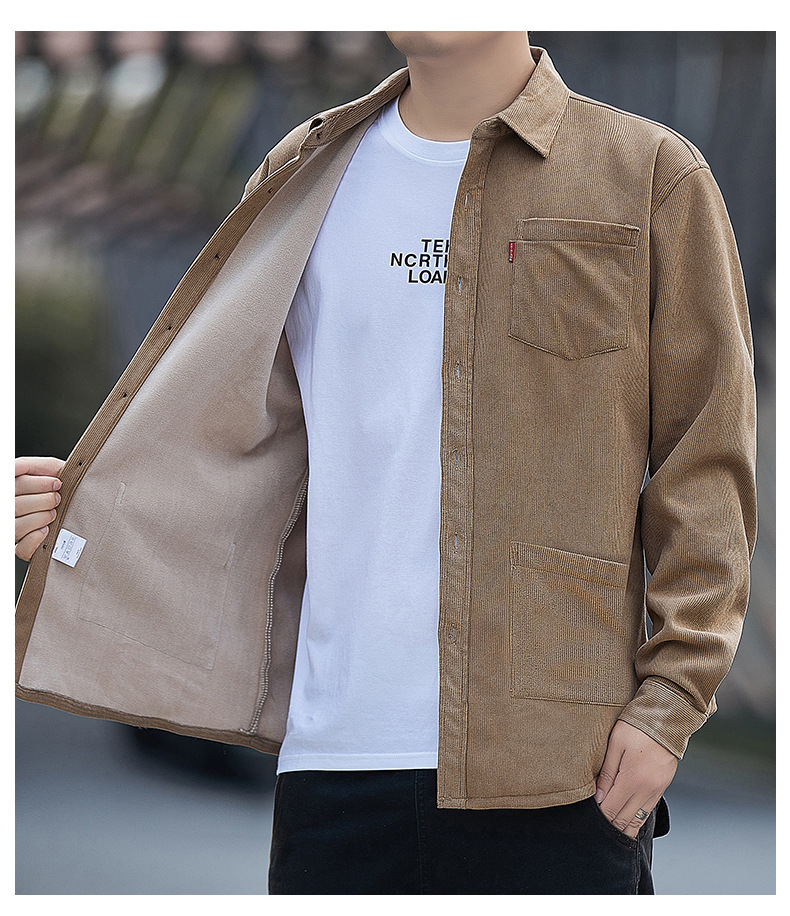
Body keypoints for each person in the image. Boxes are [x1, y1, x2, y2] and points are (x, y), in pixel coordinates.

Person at [15, 32, 757, 895]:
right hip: (332, 772)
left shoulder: (650, 174)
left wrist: (671, 704)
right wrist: (86, 519)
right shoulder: (303, 175)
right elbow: (246, 453)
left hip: (561, 768)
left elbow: (707, 462)